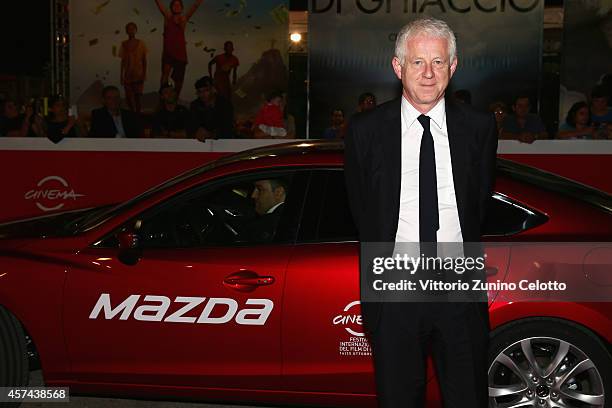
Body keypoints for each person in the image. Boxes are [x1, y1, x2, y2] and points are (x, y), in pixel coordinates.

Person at [344, 17, 497, 408]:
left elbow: (478, 202)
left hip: (459, 288)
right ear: (398, 67)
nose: (428, 74)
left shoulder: (479, 128)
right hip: (395, 291)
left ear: (453, 66)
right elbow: (363, 209)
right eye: (417, 62)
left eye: (438, 62)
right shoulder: (365, 130)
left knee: (468, 398)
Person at [155, 0, 204, 99]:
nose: (176, 6)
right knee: (165, 75)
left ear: (182, 8)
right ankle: (163, 98)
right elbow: (160, 5)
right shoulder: (168, 17)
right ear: (171, 7)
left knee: (179, 80)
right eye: (174, 5)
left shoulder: (183, 19)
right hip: (168, 52)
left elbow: (194, 6)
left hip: (180, 54)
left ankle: (175, 100)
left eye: (178, 5)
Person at [119, 22, 148, 113]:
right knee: (128, 97)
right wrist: (121, 75)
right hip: (128, 75)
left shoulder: (141, 43)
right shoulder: (124, 44)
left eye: (133, 28)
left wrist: (144, 74)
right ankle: (132, 114)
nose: (131, 31)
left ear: (136, 30)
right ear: (126, 31)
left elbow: (144, 60)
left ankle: (138, 115)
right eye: (129, 29)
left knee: (138, 97)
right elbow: (123, 61)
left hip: (138, 74)